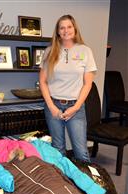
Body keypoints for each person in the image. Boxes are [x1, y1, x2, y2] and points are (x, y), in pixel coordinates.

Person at [39, 14, 97, 162]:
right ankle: (63, 184)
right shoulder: (49, 51)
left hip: (75, 106)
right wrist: (51, 107)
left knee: (81, 152)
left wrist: (76, 107)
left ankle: (85, 185)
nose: (66, 30)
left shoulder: (85, 51)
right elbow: (43, 82)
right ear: (58, 31)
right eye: (62, 28)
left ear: (75, 29)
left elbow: (87, 84)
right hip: (53, 105)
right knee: (58, 150)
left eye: (69, 27)